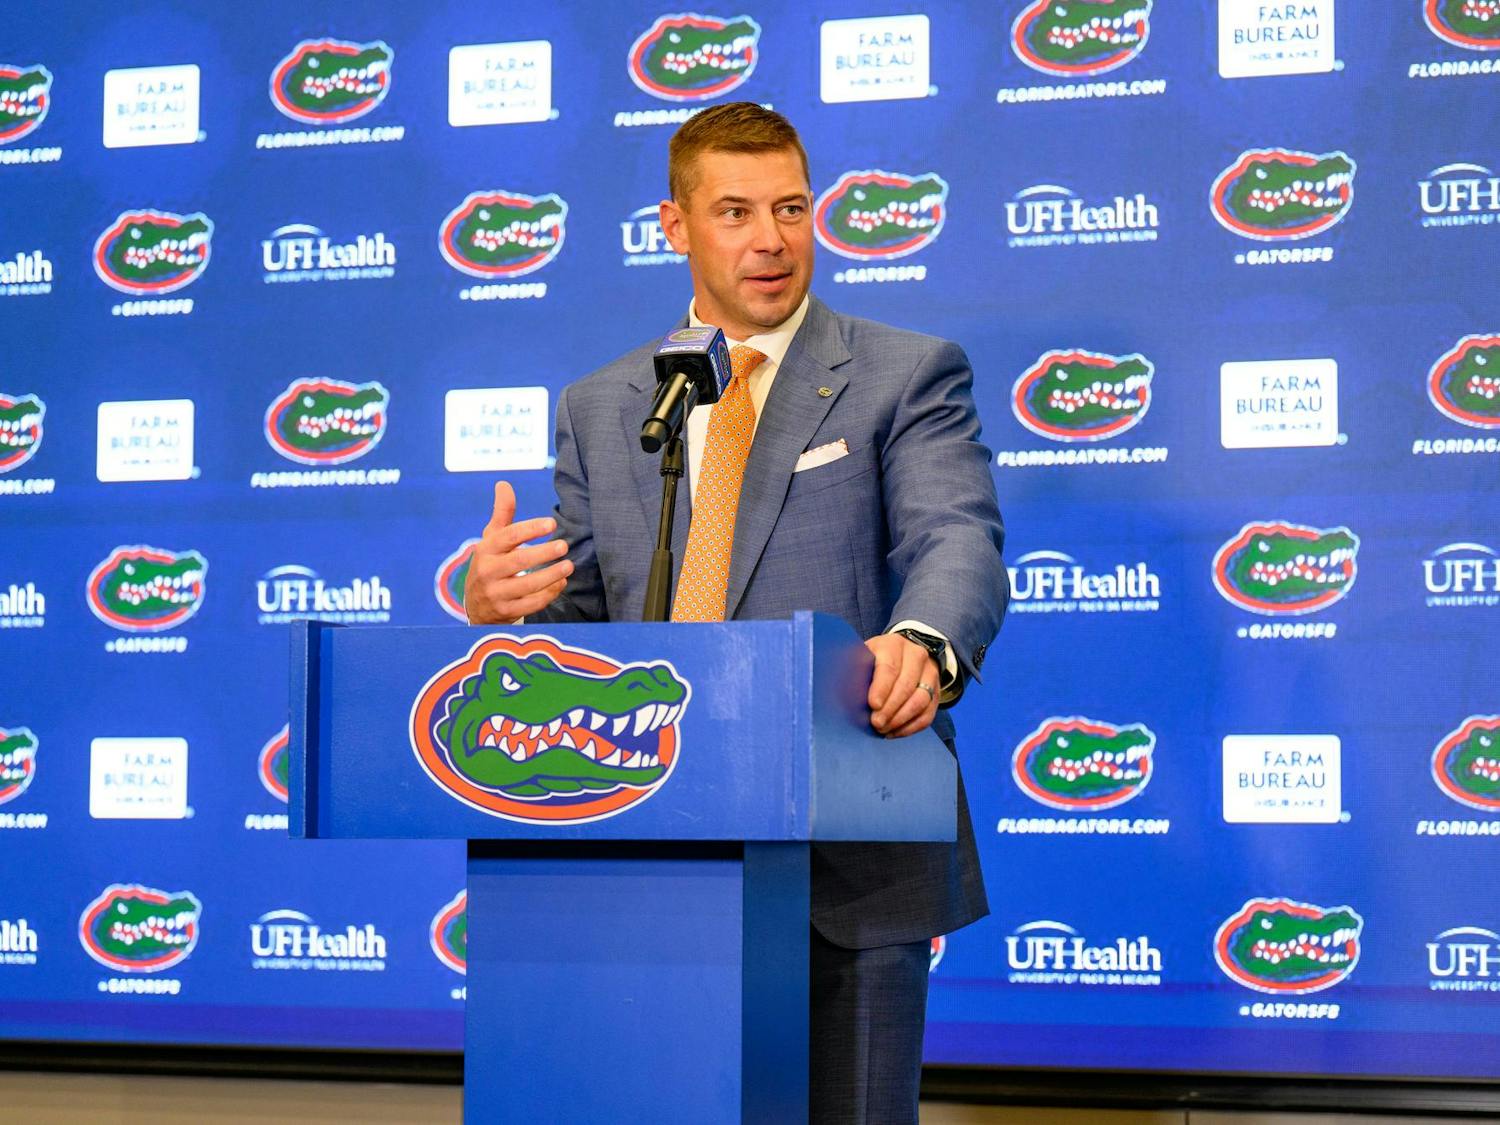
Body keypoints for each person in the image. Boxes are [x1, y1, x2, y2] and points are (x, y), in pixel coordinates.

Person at [464, 102, 1007, 1124]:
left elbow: (956, 541)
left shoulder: (903, 374)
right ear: (675, 227)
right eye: (737, 211)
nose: (771, 238)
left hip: (846, 856)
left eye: (792, 208)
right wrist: (497, 606)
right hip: (645, 863)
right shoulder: (606, 404)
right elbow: (582, 617)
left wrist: (923, 648)